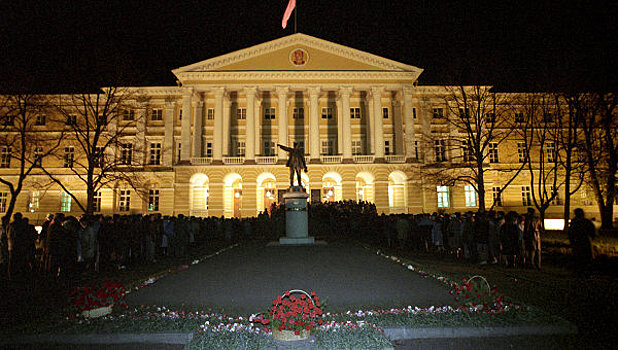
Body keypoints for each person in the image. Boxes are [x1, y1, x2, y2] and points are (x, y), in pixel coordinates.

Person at [568, 208, 596, 274]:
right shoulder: (586, 222)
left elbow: (570, 232)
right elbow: (592, 232)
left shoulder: (574, 222)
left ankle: (579, 270)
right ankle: (585, 270)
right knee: (585, 257)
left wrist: (572, 241)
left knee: (578, 257)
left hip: (577, 242)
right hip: (585, 241)